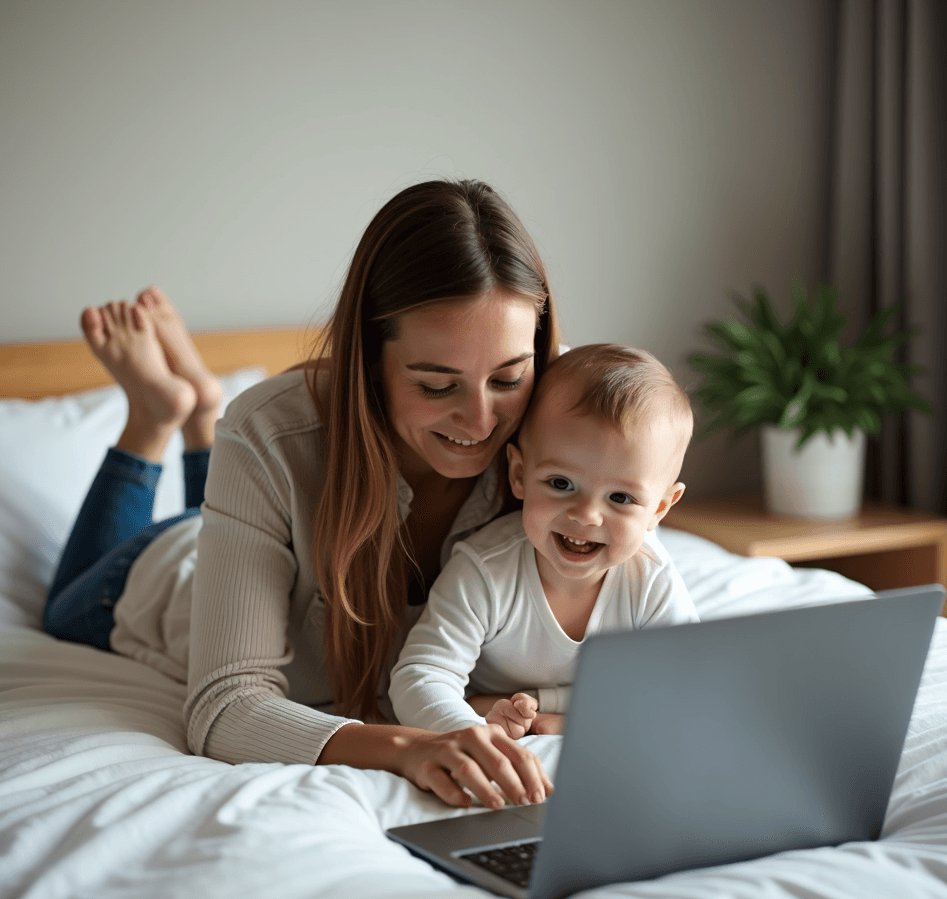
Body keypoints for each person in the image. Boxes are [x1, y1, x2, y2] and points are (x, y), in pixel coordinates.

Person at [42, 179, 557, 812]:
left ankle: (202, 412)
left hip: (254, 507)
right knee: (64, 609)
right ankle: (157, 416)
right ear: (370, 361)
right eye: (436, 386)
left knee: (247, 458)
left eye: (507, 378)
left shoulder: (558, 422)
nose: (481, 423)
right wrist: (407, 747)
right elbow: (225, 706)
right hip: (162, 572)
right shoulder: (270, 433)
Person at [389, 344, 699, 739]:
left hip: (586, 703)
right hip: (483, 702)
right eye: (560, 484)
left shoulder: (649, 579)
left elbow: (685, 688)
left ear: (659, 508)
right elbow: (421, 674)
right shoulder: (485, 569)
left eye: (620, 498)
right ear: (519, 473)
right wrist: (468, 731)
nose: (586, 515)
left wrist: (555, 709)